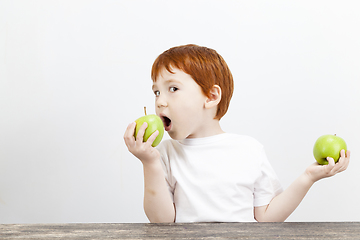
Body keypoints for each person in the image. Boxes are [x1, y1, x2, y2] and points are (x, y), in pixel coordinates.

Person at [123, 44, 350, 223]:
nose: (160, 101)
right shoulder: (165, 153)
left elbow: (265, 218)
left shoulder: (249, 150)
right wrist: (149, 162)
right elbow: (162, 222)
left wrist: (308, 177)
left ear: (211, 97)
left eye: (173, 89)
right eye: (156, 92)